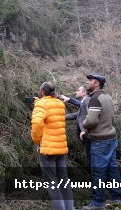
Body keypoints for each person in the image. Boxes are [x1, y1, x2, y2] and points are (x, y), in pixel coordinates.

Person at [81, 74, 121, 210]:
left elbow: (92, 121)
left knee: (98, 172)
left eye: (90, 81)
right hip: (111, 139)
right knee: (113, 170)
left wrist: (84, 124)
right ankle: (116, 198)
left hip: (100, 142)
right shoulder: (107, 97)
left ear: (97, 84)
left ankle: (98, 203)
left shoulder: (95, 98)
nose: (87, 83)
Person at [31, 82, 75, 210]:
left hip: (48, 150)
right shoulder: (60, 104)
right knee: (63, 181)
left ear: (42, 92)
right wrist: (38, 104)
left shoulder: (41, 104)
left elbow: (37, 124)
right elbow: (51, 117)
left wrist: (37, 141)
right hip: (61, 148)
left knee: (52, 183)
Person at [59, 85, 91, 166]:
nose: (76, 92)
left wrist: (84, 131)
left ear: (84, 92)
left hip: (89, 137)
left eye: (78, 90)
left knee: (93, 162)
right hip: (86, 138)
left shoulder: (87, 101)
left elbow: (91, 116)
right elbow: (76, 115)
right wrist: (59, 117)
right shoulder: (84, 103)